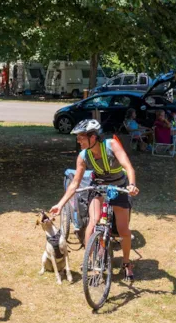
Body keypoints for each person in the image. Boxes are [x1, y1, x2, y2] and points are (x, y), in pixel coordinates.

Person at [49, 119, 140, 282]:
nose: (78, 140)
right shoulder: (83, 156)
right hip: (98, 186)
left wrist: (132, 185)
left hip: (119, 187)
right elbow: (75, 183)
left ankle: (126, 263)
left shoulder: (111, 145)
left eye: (81, 137)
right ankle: (88, 259)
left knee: (123, 229)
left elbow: (128, 167)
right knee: (93, 221)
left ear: (93, 137)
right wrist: (60, 204)